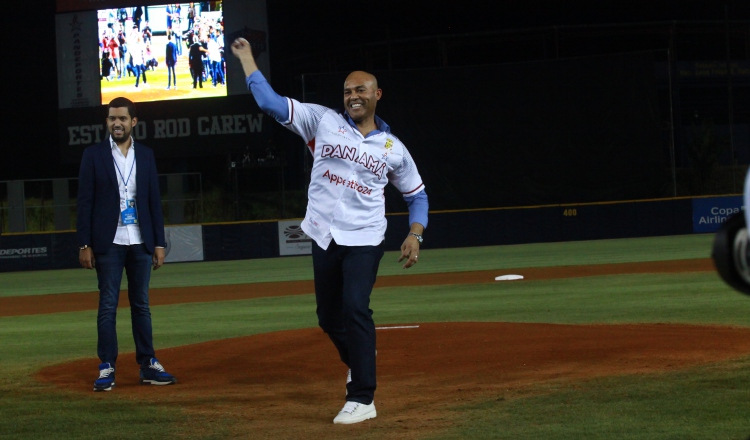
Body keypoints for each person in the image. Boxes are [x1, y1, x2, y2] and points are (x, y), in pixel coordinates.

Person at [231, 38, 429, 425]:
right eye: (347, 91)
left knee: (355, 306)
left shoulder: (393, 148)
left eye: (360, 90)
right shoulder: (322, 120)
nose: (353, 96)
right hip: (325, 235)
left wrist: (415, 234)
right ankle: (358, 359)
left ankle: (363, 397)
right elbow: (270, 103)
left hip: (366, 238)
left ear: (377, 95)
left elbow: (417, 196)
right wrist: (246, 59)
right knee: (328, 317)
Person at [77, 97, 177, 392]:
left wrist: (159, 242)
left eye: (122, 118)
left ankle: (147, 364)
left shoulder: (146, 155)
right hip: (109, 242)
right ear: (107, 122)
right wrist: (84, 243)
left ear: (134, 122)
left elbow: (153, 202)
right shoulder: (93, 155)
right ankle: (107, 366)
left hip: (141, 240)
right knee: (108, 306)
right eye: (111, 119)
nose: (116, 123)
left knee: (141, 306)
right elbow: (84, 202)